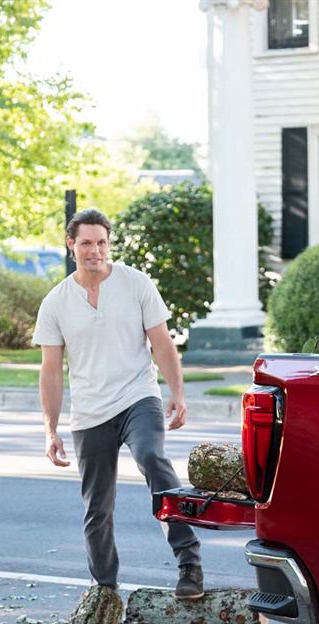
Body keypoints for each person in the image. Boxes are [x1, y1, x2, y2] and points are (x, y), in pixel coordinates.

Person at [32, 208, 204, 599]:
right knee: (97, 507)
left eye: (102, 243)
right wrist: (50, 430)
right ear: (70, 244)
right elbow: (51, 371)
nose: (96, 251)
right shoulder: (56, 303)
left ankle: (189, 563)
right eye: (87, 243)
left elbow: (162, 342)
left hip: (137, 397)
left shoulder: (135, 283)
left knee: (151, 459)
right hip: (90, 412)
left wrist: (177, 393)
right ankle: (104, 592)